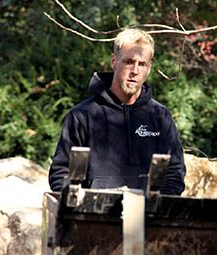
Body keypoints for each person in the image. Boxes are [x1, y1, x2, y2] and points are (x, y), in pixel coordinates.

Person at [49, 28, 186, 195]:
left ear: (148, 69)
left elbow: (175, 173)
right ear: (114, 61)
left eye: (142, 64)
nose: (135, 71)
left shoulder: (160, 116)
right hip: (93, 215)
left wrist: (159, 211)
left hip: (147, 216)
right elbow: (61, 172)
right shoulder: (82, 116)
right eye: (128, 61)